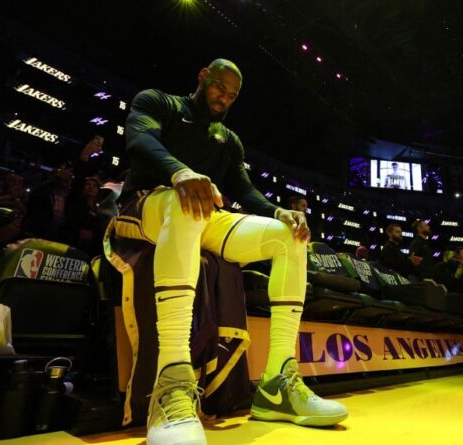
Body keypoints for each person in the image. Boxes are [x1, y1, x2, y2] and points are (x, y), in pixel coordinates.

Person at [118, 59, 346, 445]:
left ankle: (277, 384)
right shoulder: (159, 102)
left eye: (232, 94)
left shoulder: (229, 139)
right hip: (146, 205)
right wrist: (180, 173)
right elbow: (139, 141)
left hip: (202, 214)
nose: (223, 98)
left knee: (290, 237)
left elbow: (244, 190)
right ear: (201, 76)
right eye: (218, 87)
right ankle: (172, 382)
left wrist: (279, 212)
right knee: (188, 202)